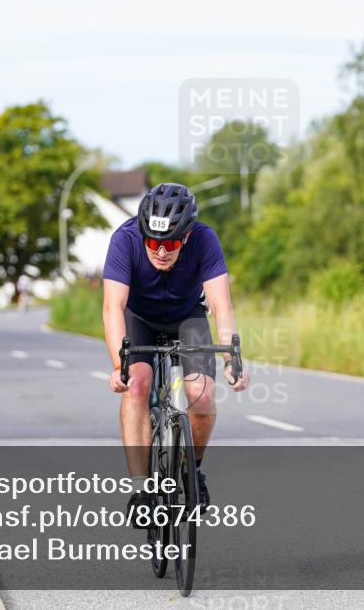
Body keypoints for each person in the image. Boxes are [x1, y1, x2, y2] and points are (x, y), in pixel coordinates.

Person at [102, 183, 250, 514]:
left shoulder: (205, 240)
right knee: (136, 384)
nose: (161, 251)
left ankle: (192, 471)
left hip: (187, 318)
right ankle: (140, 491)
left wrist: (230, 359)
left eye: (170, 243)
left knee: (203, 394)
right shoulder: (124, 240)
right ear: (143, 235)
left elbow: (221, 305)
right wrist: (118, 367)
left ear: (186, 236)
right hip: (139, 317)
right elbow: (113, 307)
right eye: (154, 242)